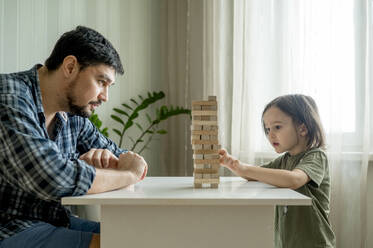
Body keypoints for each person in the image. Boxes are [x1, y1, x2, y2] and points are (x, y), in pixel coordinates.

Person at [0, 26, 148, 248]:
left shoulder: (73, 115)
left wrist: (110, 162)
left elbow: (127, 159)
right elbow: (53, 179)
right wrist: (128, 173)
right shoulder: (9, 96)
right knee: (122, 243)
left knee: (146, 234)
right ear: (70, 67)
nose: (105, 97)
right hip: (9, 228)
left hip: (53, 220)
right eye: (101, 82)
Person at [219, 94, 336, 248]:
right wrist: (232, 164)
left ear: (302, 128)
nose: (270, 135)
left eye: (277, 127)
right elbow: (254, 175)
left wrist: (244, 167)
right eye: (267, 129)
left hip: (314, 243)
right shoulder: (285, 160)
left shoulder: (315, 156)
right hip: (287, 242)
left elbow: (294, 180)